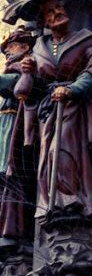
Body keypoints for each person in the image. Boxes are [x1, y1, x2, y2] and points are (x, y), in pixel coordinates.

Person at [16, 0, 92, 220]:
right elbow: (27, 91)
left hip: (74, 108)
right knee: (47, 156)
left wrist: (72, 89)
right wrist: (27, 71)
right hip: (48, 110)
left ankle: (72, 198)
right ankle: (51, 201)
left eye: (58, 8)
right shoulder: (38, 49)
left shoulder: (86, 39)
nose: (57, 13)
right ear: (44, 22)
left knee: (63, 148)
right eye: (50, 12)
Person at [0, 27, 37, 244]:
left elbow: (12, 86)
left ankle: (12, 230)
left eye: (10, 47)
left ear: (24, 47)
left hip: (16, 126)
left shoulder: (23, 68)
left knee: (10, 175)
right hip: (6, 124)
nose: (7, 52)